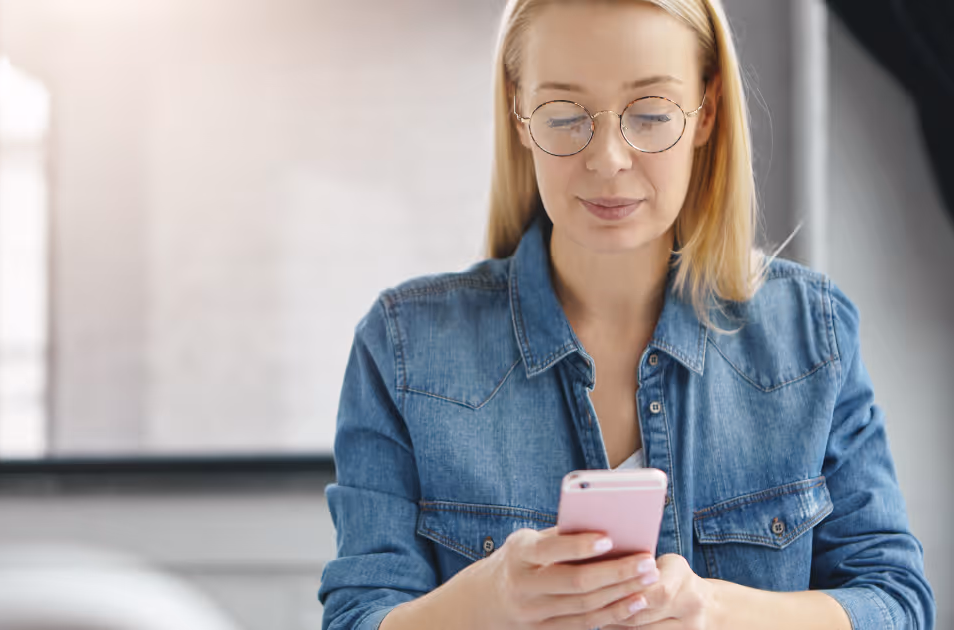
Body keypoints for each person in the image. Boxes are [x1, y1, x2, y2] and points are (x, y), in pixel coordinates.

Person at [317, 0, 936, 629]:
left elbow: (897, 604)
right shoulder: (402, 348)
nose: (609, 159)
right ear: (519, 114)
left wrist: (717, 611)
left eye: (649, 114)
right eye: (564, 115)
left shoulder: (810, 334)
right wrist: (485, 604)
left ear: (707, 111)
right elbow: (357, 616)